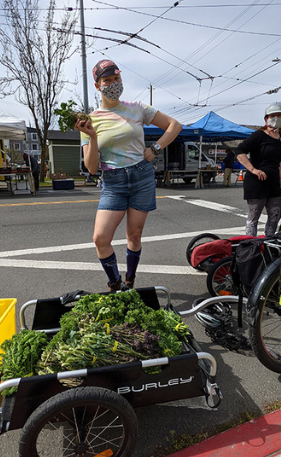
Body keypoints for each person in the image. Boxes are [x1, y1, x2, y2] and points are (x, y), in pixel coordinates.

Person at [75, 59, 182, 291]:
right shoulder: (90, 120)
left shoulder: (137, 108)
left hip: (141, 176)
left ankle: (130, 281)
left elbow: (174, 125)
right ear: (98, 85)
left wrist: (155, 149)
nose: (113, 84)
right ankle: (115, 285)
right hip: (113, 181)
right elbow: (92, 168)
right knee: (100, 238)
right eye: (107, 80)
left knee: (134, 235)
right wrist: (92, 137)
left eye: (116, 79)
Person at [235, 102, 281, 237]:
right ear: (266, 118)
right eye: (273, 115)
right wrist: (253, 169)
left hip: (273, 183)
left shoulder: (279, 139)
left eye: (279, 115)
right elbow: (239, 151)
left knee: (275, 216)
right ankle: (250, 247)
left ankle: (269, 244)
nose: (276, 118)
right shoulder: (259, 135)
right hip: (257, 182)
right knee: (254, 218)